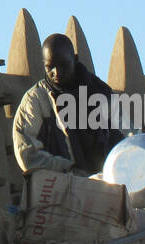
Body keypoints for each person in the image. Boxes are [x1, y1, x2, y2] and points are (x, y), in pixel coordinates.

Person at [11, 33, 124, 176]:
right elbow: (28, 153)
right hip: (61, 187)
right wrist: (69, 170)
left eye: (63, 65)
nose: (57, 72)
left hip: (107, 183)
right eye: (50, 67)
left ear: (75, 59)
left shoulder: (100, 91)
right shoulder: (35, 101)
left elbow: (126, 136)